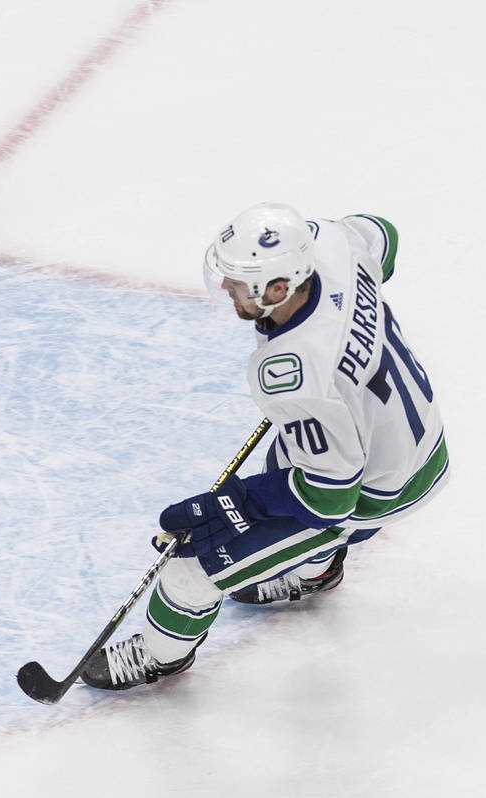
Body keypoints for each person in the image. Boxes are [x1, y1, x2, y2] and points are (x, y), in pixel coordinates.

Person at [81, 202, 450, 691]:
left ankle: (157, 654)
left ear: (278, 287)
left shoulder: (294, 373)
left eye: (238, 281)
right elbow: (384, 237)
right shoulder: (334, 244)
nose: (228, 288)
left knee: (191, 571)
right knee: (290, 459)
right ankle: (315, 574)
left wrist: (235, 502)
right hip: (410, 435)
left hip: (382, 486)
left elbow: (331, 497)